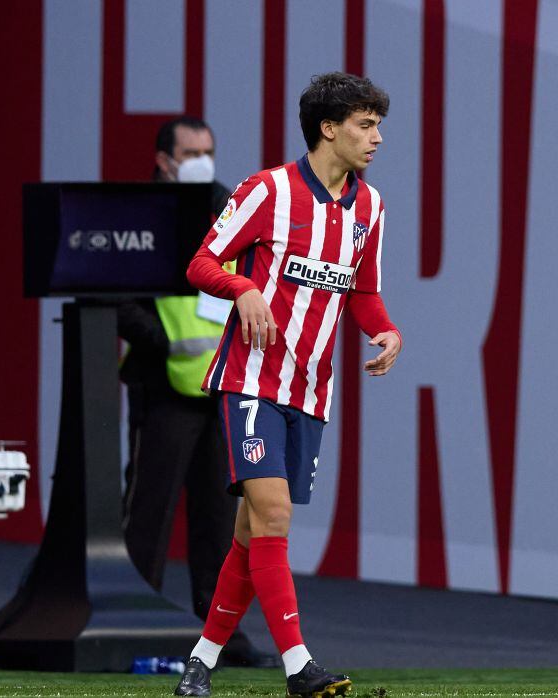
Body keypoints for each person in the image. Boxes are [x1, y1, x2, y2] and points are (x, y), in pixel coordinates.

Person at [173, 72, 402, 697]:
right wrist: (244, 287)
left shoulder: (371, 206)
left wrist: (384, 332)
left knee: (252, 535)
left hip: (311, 388)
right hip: (252, 377)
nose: (377, 138)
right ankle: (300, 667)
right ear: (329, 128)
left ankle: (199, 662)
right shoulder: (266, 190)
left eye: (378, 124)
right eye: (366, 124)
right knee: (273, 515)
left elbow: (363, 293)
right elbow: (201, 262)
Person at [119, 116, 274, 668]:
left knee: (218, 516)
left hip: (220, 384)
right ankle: (131, 625)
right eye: (191, 152)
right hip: (163, 384)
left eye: (209, 150)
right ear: (164, 159)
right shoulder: (140, 215)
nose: (203, 159)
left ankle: (221, 637)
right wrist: (159, 340)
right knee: (149, 511)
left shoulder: (226, 209)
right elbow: (117, 290)